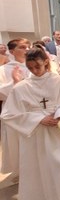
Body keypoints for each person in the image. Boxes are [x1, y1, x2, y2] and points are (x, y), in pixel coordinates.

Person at [0, 47, 60, 200]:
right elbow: (7, 114)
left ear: (46, 62)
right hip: (36, 135)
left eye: (38, 67)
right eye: (31, 68)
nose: (35, 71)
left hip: (59, 130)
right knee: (41, 170)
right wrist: (38, 118)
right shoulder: (21, 87)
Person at [0, 38, 31, 175]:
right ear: (12, 51)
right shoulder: (4, 69)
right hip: (14, 110)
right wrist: (13, 82)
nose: (27, 50)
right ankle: (20, 171)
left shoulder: (33, 66)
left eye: (28, 47)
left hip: (32, 109)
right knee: (16, 141)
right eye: (22, 47)